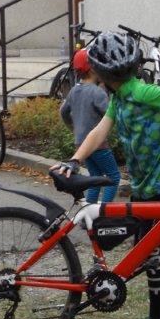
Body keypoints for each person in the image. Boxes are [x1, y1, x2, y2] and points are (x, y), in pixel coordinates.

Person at [56, 31, 160, 319]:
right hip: (144, 186)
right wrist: (75, 159)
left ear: (102, 73)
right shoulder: (120, 98)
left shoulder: (141, 92)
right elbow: (99, 132)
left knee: (147, 252)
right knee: (147, 251)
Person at [59, 48, 120, 203]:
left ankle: (89, 210)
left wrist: (73, 127)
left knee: (94, 178)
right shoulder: (97, 92)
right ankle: (104, 211)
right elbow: (111, 114)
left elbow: (63, 112)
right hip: (98, 145)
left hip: (81, 144)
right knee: (113, 177)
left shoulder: (74, 90)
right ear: (93, 69)